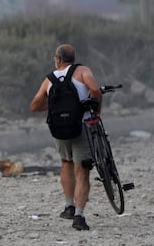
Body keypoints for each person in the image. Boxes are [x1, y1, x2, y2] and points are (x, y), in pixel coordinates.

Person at [30, 44, 101, 231]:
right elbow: (95, 90)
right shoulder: (83, 71)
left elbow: (34, 106)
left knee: (66, 163)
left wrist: (54, 107)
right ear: (73, 58)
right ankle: (79, 216)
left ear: (58, 59)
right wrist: (96, 111)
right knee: (82, 170)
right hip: (82, 126)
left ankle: (68, 206)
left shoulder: (49, 79)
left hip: (59, 129)